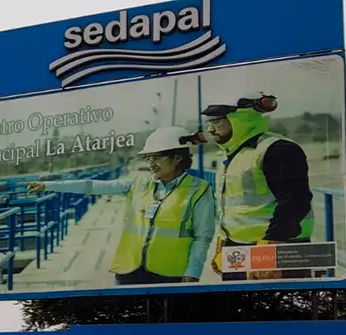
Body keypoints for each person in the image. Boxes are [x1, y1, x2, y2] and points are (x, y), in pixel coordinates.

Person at [26, 126, 216, 285]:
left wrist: (192, 273)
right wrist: (48, 186)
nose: (151, 164)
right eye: (148, 158)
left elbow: (202, 237)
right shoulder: (139, 185)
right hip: (129, 271)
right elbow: (92, 186)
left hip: (171, 274)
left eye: (157, 157)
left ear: (177, 158)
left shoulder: (199, 190)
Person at [201, 91, 315, 282]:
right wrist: (223, 244)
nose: (210, 130)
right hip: (240, 250)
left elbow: (295, 201)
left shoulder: (277, 149)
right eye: (209, 123)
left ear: (241, 118)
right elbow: (235, 207)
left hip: (277, 250)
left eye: (217, 121)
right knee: (237, 310)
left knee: (277, 310)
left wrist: (269, 252)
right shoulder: (236, 155)